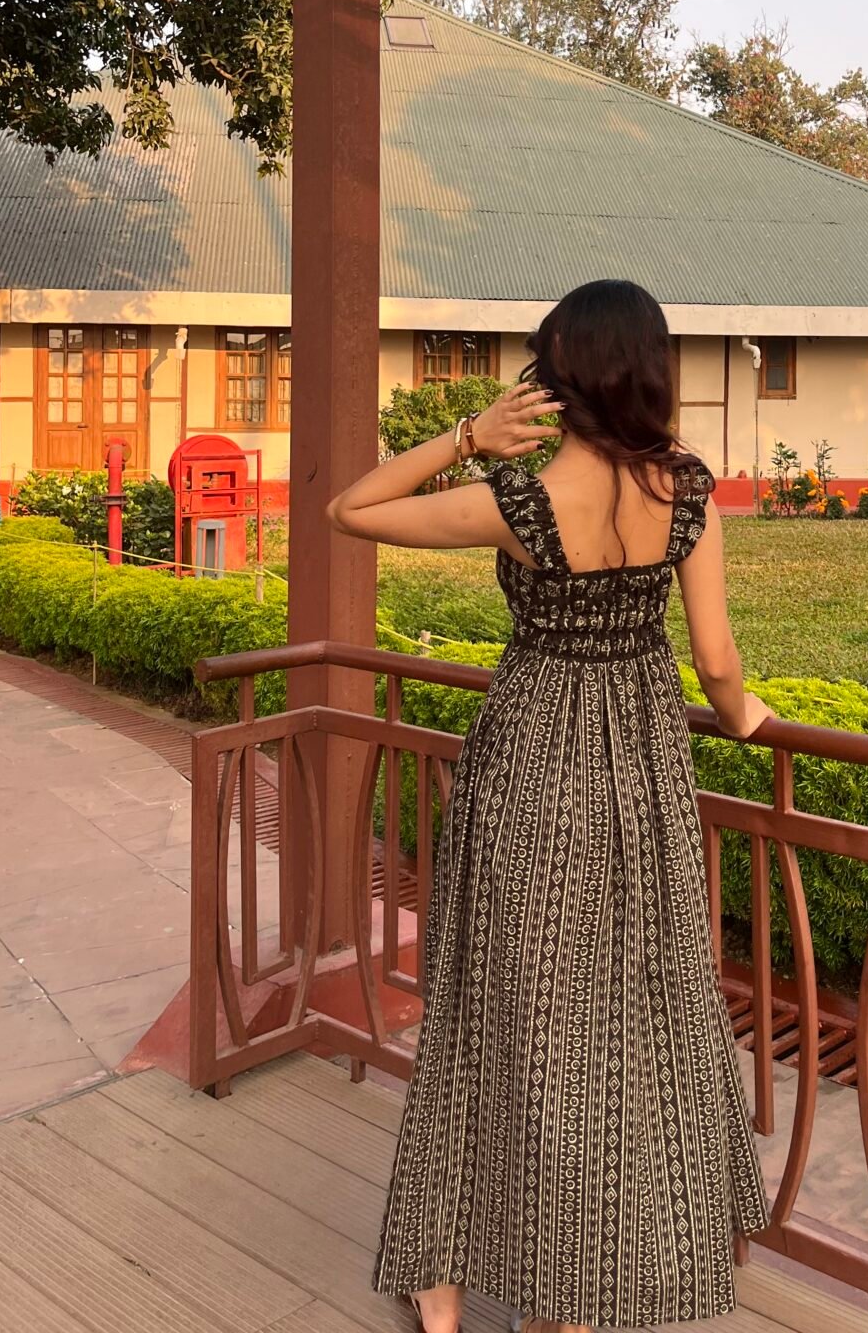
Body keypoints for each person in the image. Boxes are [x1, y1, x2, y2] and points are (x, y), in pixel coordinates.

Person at [328, 279, 772, 1333]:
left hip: (529, 758)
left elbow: (350, 509)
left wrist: (466, 437)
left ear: (559, 377)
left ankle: (441, 1280)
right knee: (625, 1025)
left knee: (494, 1014)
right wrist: (745, 715)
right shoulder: (689, 492)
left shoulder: (516, 499)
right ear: (651, 371)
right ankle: (566, 1296)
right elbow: (717, 663)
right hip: (641, 775)